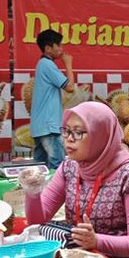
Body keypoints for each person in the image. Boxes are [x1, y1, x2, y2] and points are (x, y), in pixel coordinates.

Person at [21, 101, 129, 258]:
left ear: (101, 135)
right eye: (67, 131)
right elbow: (38, 220)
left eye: (78, 132)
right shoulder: (70, 167)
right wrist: (32, 192)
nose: (69, 138)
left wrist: (97, 241)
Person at [31, 29, 75, 169]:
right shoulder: (48, 65)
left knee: (41, 169)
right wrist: (68, 63)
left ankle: (41, 192)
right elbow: (69, 87)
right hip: (49, 127)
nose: (61, 49)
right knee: (58, 168)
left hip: (40, 127)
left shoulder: (42, 65)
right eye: (59, 45)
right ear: (48, 48)